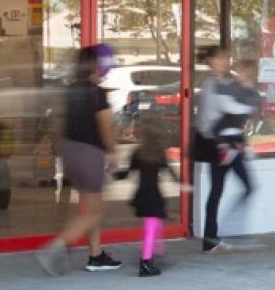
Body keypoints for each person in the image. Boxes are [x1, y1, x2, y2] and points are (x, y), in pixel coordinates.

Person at [37, 44, 123, 275]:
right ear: (96, 66)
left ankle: (96, 256)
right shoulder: (97, 92)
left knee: (90, 207)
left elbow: (58, 123)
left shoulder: (69, 90)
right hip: (89, 153)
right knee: (97, 209)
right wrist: (113, 152)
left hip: (70, 151)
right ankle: (56, 247)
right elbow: (106, 126)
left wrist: (58, 149)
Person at [193, 45, 259, 251]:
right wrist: (250, 104)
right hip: (220, 144)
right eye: (220, 58)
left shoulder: (225, 82)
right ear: (210, 61)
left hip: (228, 143)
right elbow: (231, 107)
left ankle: (211, 239)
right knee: (243, 187)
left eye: (226, 58)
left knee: (219, 190)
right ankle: (224, 233)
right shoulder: (212, 84)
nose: (225, 61)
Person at [114, 117, 173, 277]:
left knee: (153, 225)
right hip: (153, 195)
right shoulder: (159, 152)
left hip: (142, 194)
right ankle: (146, 262)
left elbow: (125, 174)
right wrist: (186, 184)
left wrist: (112, 172)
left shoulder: (138, 152)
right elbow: (171, 173)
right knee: (150, 228)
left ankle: (156, 248)